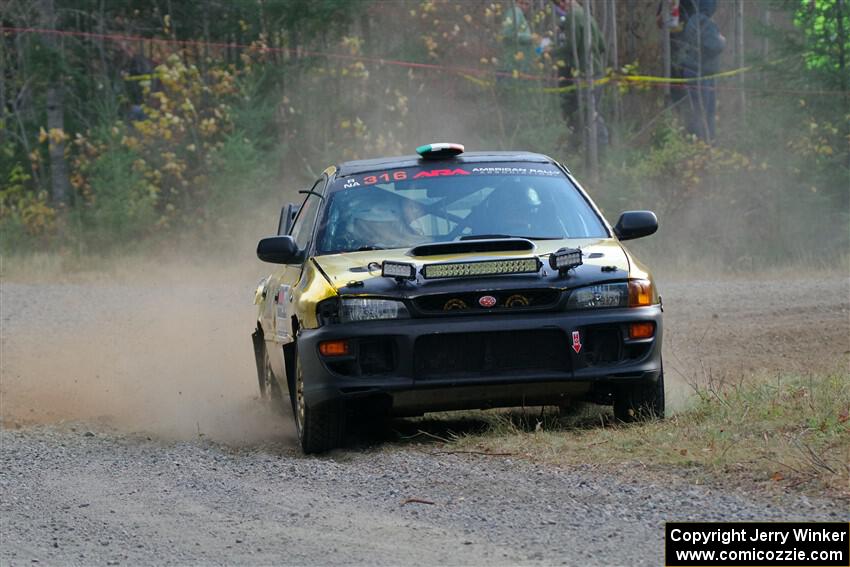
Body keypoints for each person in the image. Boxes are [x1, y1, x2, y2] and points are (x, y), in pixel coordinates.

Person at [552, 0, 608, 149]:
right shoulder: (587, 14)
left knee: (585, 113)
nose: (561, 7)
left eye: (560, 3)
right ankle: (596, 150)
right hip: (597, 71)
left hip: (584, 73)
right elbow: (602, 44)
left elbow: (573, 46)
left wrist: (551, 52)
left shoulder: (573, 16)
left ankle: (595, 149)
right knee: (593, 111)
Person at [679, 0, 726, 142]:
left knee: (707, 112)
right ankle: (701, 145)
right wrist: (722, 40)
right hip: (699, 73)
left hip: (705, 72)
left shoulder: (697, 20)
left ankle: (707, 143)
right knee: (701, 113)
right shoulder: (700, 20)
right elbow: (714, 45)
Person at [500, 0, 535, 76]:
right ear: (515, 2)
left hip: (518, 62)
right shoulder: (516, 11)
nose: (523, 6)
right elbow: (508, 34)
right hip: (512, 62)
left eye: (526, 4)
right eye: (521, 3)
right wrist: (529, 38)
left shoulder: (520, 14)